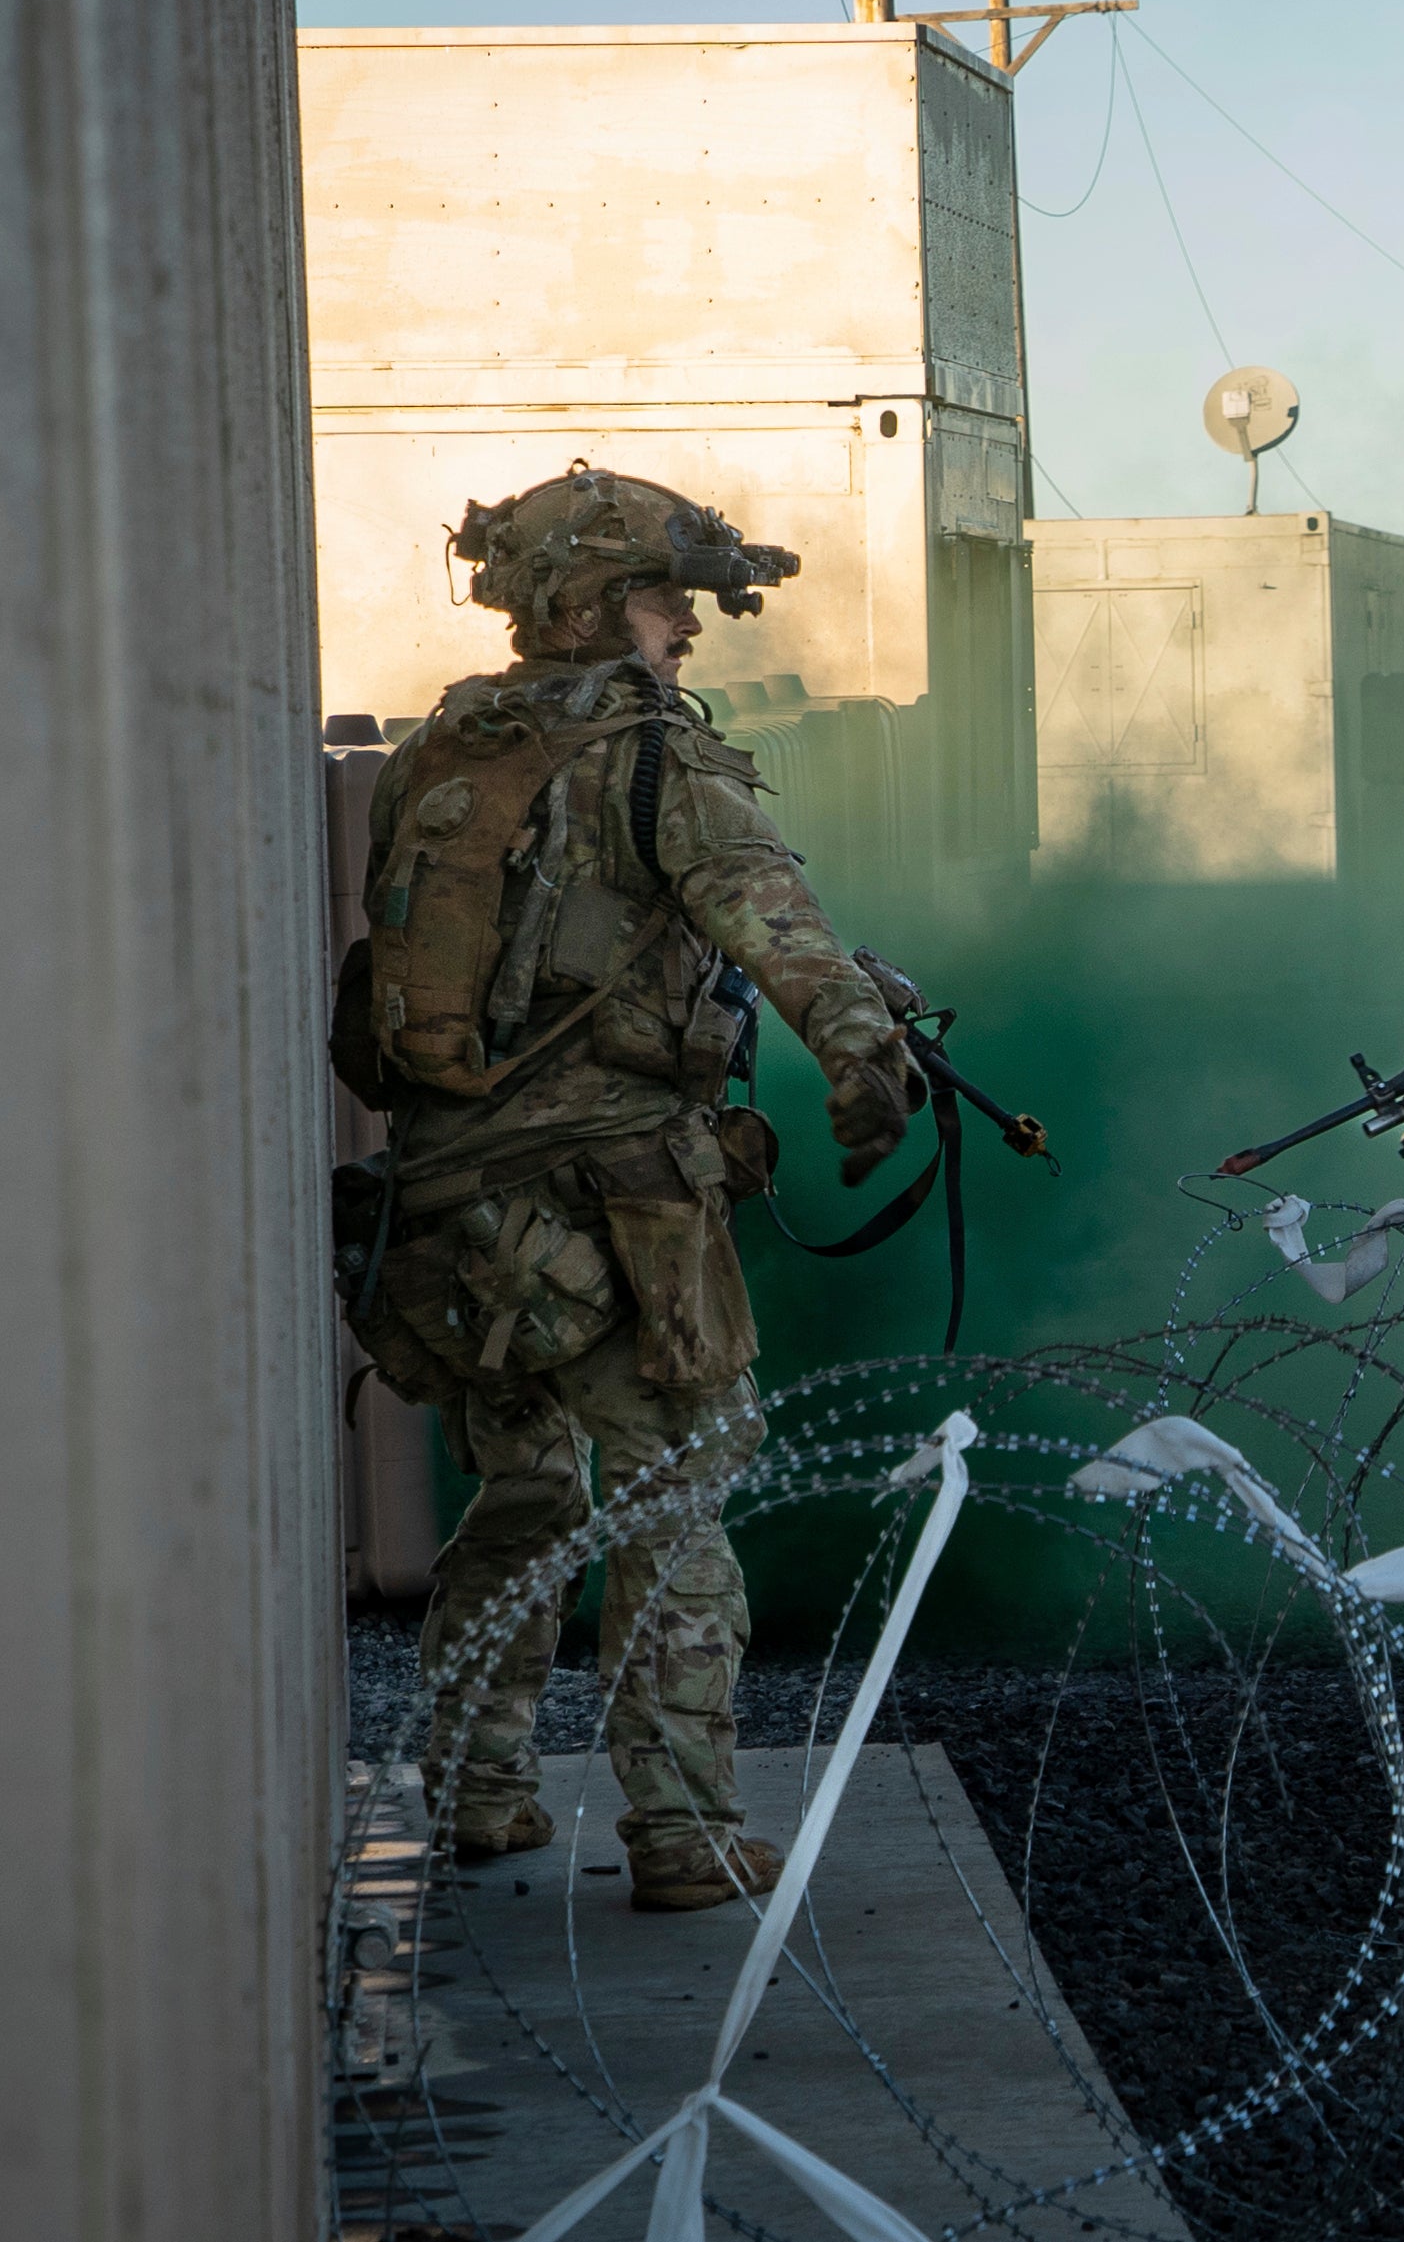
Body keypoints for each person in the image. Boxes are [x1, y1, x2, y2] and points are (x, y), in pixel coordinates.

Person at [336, 462, 916, 1911]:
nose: (690, 626)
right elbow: (769, 911)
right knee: (679, 1486)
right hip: (616, 1203)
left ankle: (476, 1788)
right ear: (597, 603)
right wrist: (861, 1053)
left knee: (523, 1488)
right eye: (669, 597)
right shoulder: (657, 754)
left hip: (455, 1203)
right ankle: (684, 1828)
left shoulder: (448, 748)